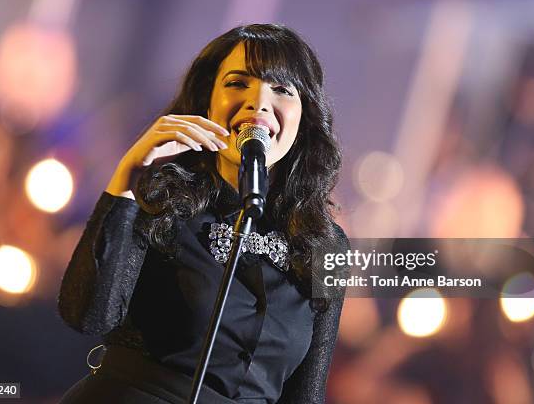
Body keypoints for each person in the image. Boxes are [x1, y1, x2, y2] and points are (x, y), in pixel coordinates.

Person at [57, 23, 348, 404]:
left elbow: (307, 394)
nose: (258, 103)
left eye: (281, 89)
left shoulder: (324, 244)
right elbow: (89, 315)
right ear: (207, 100)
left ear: (305, 115)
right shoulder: (159, 196)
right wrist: (128, 178)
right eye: (238, 83)